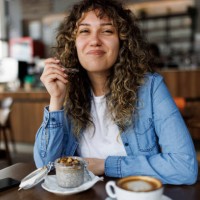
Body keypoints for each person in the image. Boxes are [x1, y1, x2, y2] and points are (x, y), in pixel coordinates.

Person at [34, 0, 198, 185]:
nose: (94, 41)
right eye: (85, 31)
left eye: (107, 31)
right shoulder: (68, 92)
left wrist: (106, 165)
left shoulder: (150, 88)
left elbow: (184, 168)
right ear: (73, 43)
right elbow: (45, 167)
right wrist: (56, 101)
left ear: (123, 41)